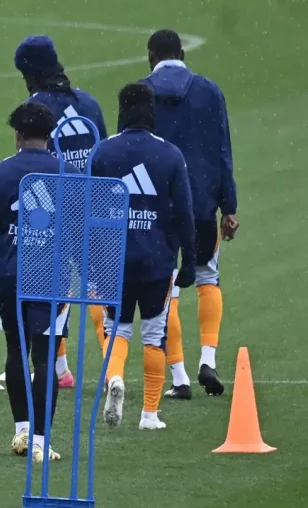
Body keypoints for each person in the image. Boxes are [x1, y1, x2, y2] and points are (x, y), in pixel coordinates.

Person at [0, 102, 79, 461]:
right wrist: (89, 277)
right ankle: (41, 442)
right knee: (46, 357)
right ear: (50, 135)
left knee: (15, 350)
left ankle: (21, 431)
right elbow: (79, 233)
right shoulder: (67, 172)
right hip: (53, 277)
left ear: (17, 134)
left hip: (11, 276)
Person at [90, 83, 196, 430]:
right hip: (155, 261)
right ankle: (149, 414)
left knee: (116, 330)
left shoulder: (103, 152)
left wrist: (90, 259)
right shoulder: (170, 155)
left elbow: (87, 209)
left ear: (121, 110)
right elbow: (184, 213)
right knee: (153, 334)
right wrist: (190, 261)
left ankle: (116, 378)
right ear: (151, 111)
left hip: (112, 261)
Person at [140, 29, 238, 398]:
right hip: (200, 202)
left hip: (158, 205)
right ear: (183, 53)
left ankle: (179, 376)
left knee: (168, 287)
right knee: (207, 277)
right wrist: (229, 207)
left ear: (150, 56)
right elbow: (222, 150)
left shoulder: (141, 93)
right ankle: (208, 359)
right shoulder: (210, 91)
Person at [14, 35, 110, 387]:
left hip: (54, 212)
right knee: (98, 286)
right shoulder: (88, 102)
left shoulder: (35, 108)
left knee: (51, 287)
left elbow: (31, 163)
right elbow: (105, 155)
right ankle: (111, 367)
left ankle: (58, 367)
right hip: (95, 208)